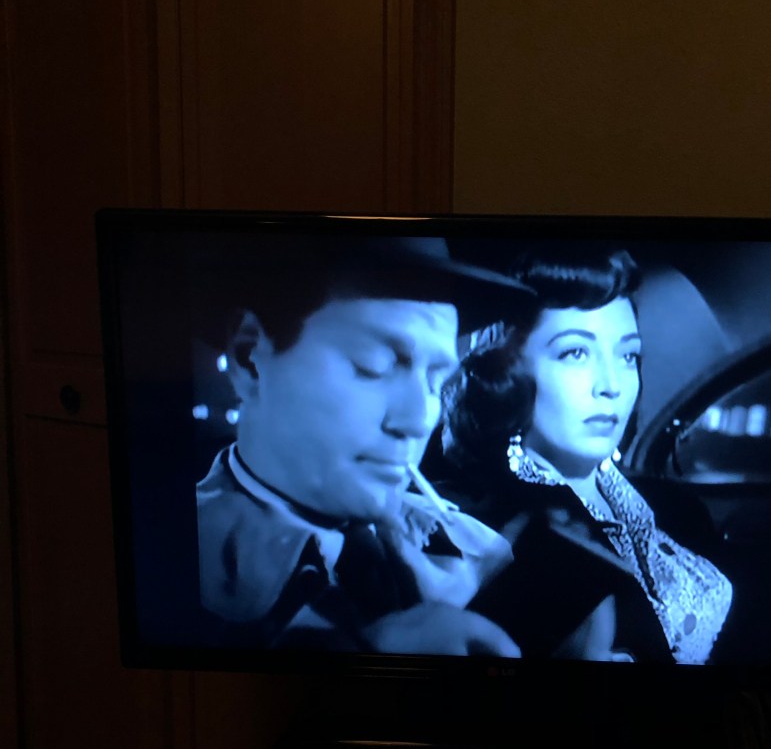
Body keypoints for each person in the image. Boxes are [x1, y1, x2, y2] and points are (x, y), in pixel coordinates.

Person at [196, 235, 525, 655]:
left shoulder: (472, 549)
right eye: (375, 366)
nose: (418, 419)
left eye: (437, 382)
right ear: (250, 359)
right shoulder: (172, 558)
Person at [441, 244, 733, 664]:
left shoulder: (675, 505)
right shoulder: (480, 526)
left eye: (628, 355)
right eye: (575, 353)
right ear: (509, 369)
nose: (611, 385)